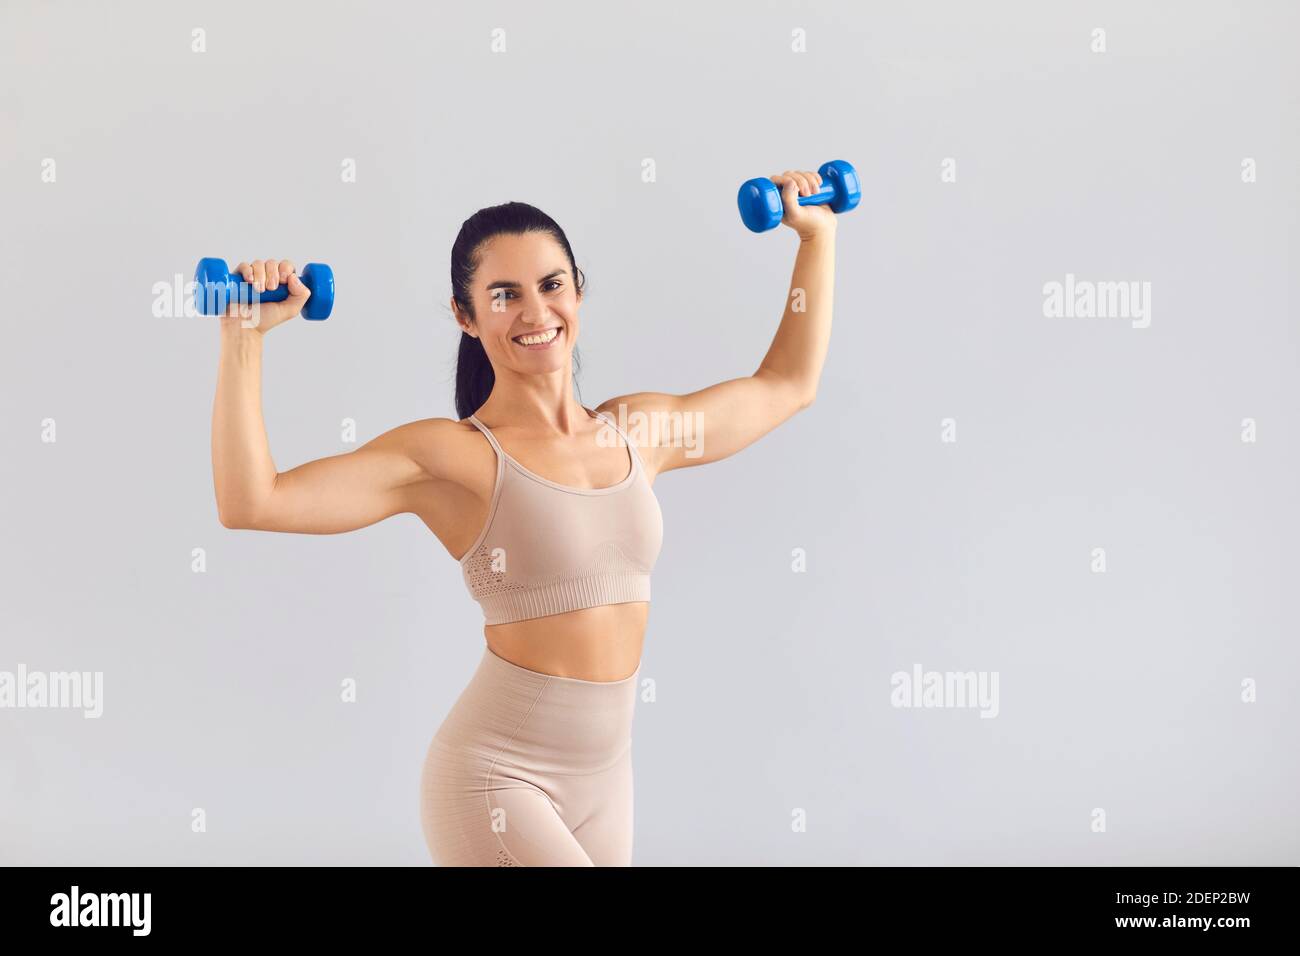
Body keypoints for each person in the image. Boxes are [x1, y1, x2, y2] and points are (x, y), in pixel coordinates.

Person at [210, 169, 837, 865]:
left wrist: (817, 237)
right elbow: (252, 500)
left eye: (552, 285)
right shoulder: (454, 460)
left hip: (606, 779)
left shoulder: (641, 432)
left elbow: (787, 385)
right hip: (495, 780)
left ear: (578, 292)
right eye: (503, 295)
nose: (536, 313)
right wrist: (244, 339)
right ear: (465, 316)